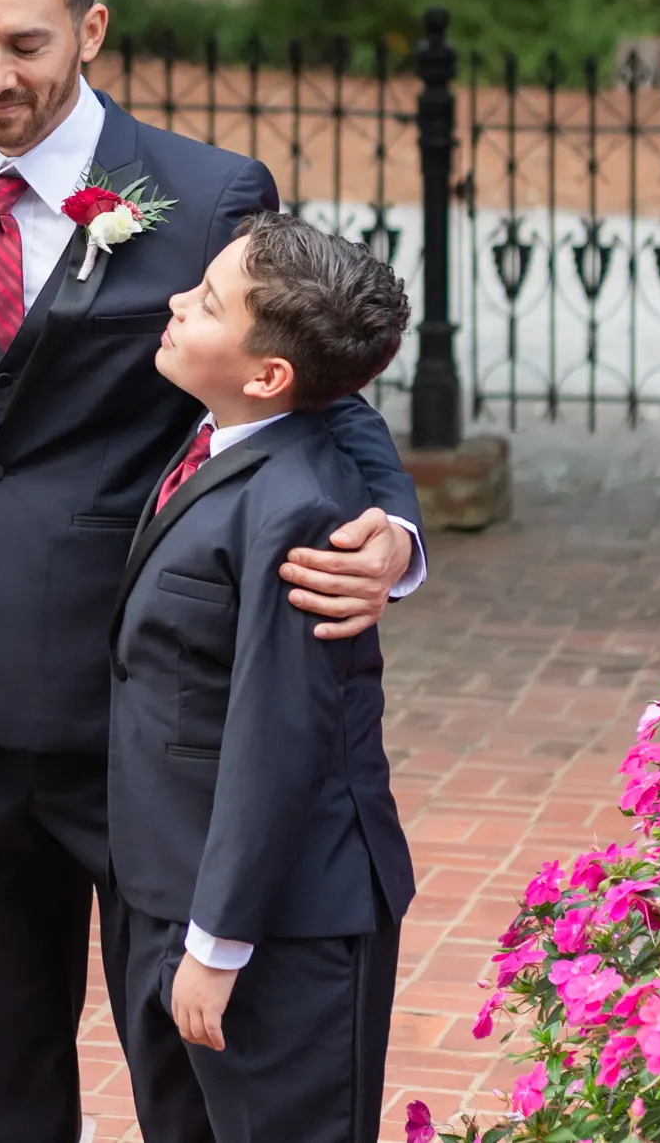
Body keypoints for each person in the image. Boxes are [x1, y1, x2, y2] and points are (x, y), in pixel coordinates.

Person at [0, 0, 427, 1143]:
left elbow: (315, 385)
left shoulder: (206, 192)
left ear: (91, 26)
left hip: (138, 718)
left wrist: (391, 529)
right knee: (10, 1069)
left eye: (26, 42)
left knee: (179, 1073)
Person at [108, 214, 418, 1143]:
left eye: (206, 302)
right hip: (174, 886)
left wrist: (217, 942)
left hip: (274, 925)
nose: (175, 302)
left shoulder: (304, 512)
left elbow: (277, 735)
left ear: (268, 375)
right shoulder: (226, 432)